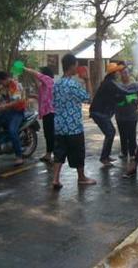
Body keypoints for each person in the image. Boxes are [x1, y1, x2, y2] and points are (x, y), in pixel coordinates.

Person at [52, 54, 96, 190]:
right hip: (73, 127)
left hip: (59, 125)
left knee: (59, 153)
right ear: (71, 66)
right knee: (78, 152)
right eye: (76, 65)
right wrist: (87, 80)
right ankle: (81, 177)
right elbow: (88, 98)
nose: (77, 67)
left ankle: (55, 179)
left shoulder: (57, 83)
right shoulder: (73, 85)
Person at [89, 63, 138, 166]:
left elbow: (117, 97)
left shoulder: (110, 82)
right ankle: (104, 158)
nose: (119, 73)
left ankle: (106, 157)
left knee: (111, 132)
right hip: (99, 112)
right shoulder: (110, 83)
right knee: (110, 132)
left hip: (100, 112)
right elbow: (124, 92)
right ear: (114, 73)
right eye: (118, 71)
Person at [0, 71, 27, 166]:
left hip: (18, 112)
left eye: (1, 82)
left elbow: (17, 101)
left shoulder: (15, 85)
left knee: (12, 130)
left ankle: (19, 156)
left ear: (6, 78)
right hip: (7, 111)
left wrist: (5, 106)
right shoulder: (2, 87)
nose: (0, 84)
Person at [24, 66, 55, 163]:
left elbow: (37, 75)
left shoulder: (49, 80)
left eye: (41, 73)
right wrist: (34, 96)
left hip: (51, 112)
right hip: (46, 112)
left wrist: (25, 69)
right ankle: (49, 154)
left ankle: (52, 154)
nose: (39, 75)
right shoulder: (43, 85)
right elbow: (43, 97)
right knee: (48, 134)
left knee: (50, 134)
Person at [115, 65, 138, 160]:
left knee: (131, 135)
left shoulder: (134, 85)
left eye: (126, 73)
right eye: (122, 73)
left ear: (129, 74)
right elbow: (114, 98)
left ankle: (133, 152)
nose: (124, 75)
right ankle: (124, 152)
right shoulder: (117, 85)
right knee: (122, 135)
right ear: (120, 74)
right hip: (120, 115)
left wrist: (132, 98)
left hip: (132, 115)